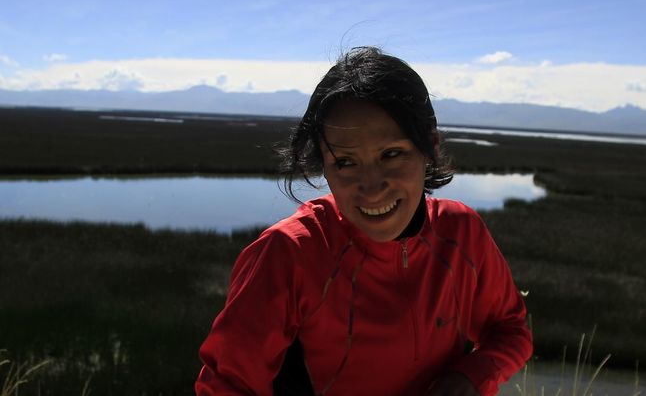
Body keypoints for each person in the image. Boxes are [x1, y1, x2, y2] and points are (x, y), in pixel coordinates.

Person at [196, 47, 532, 396]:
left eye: (391, 154)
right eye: (345, 163)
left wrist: (468, 380)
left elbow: (510, 329)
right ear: (324, 165)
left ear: (429, 148)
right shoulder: (289, 254)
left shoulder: (461, 233)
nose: (371, 188)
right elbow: (225, 386)